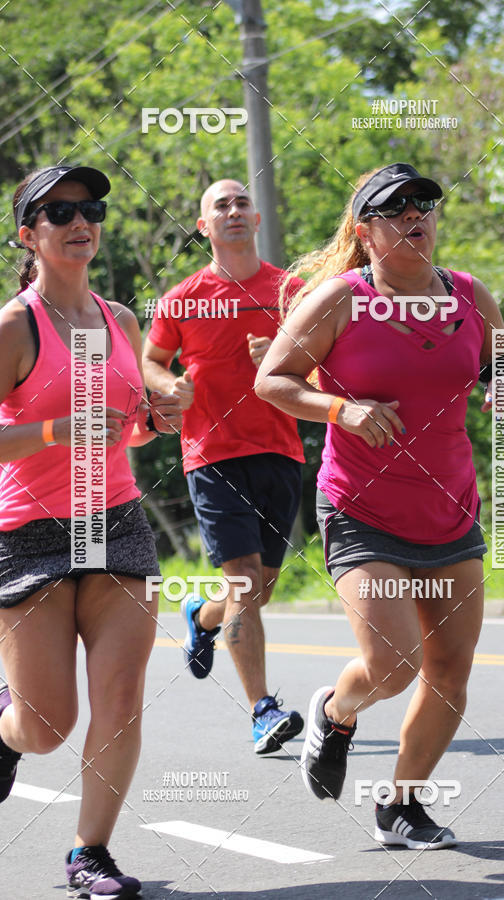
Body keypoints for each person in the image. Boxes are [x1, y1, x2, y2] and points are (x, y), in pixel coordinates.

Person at [255, 162, 504, 847]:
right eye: (396, 208)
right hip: (362, 508)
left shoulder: (471, 295)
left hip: (450, 509)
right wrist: (341, 411)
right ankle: (336, 709)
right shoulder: (338, 300)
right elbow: (272, 382)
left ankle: (401, 805)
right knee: (394, 662)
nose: (416, 216)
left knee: (449, 674)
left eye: (425, 206)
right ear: (365, 231)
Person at [0, 164, 182, 898]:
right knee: (46, 725)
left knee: (121, 695)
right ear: (29, 235)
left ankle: (91, 854)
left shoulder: (120, 322)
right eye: (60, 212)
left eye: (91, 209)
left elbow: (129, 430)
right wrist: (54, 428)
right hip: (29, 533)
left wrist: (157, 421)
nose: (82, 222)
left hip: (116, 523)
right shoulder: (14, 326)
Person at [142, 178, 306, 755]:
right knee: (243, 579)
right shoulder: (182, 298)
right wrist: (171, 388)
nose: (233, 211)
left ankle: (201, 617)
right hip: (211, 454)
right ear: (203, 226)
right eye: (221, 206)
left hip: (280, 452)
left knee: (258, 587)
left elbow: (324, 370)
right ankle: (263, 710)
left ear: (257, 220)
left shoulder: (294, 291)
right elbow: (151, 361)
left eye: (242, 203)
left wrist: (287, 359)